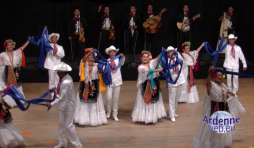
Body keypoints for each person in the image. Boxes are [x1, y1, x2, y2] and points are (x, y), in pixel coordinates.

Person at [191, 67, 246, 148]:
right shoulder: (212, 85)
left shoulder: (223, 85)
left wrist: (232, 94)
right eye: (218, 75)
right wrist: (210, 73)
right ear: (214, 76)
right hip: (213, 108)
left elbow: (227, 92)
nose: (220, 77)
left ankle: (217, 144)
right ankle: (208, 144)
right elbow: (208, 82)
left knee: (220, 128)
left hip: (222, 108)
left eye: (221, 75)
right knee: (210, 127)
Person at [45, 62, 83, 148]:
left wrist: (51, 104)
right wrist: (56, 88)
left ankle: (78, 145)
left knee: (68, 125)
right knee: (61, 125)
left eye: (58, 72)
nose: (57, 73)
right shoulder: (65, 78)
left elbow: (62, 97)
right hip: (63, 105)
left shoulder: (66, 82)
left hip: (68, 106)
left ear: (62, 72)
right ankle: (63, 142)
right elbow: (62, 90)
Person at [73, 48, 107, 126]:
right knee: (84, 102)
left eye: (93, 55)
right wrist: (89, 52)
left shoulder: (96, 65)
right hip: (85, 85)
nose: (91, 56)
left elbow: (101, 71)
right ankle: (84, 119)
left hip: (94, 85)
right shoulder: (83, 63)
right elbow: (84, 59)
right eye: (90, 55)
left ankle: (93, 120)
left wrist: (101, 68)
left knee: (94, 103)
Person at [131, 50, 167, 124]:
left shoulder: (151, 63)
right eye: (143, 57)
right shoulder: (140, 67)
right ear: (141, 58)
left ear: (149, 58)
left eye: (147, 57)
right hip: (145, 85)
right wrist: (157, 70)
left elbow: (158, 58)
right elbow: (147, 72)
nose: (145, 58)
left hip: (153, 84)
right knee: (145, 101)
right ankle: (146, 118)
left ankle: (152, 117)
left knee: (153, 101)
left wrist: (163, 52)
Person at [0, 38, 29, 107]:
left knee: (16, 86)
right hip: (7, 72)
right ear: (6, 46)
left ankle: (17, 101)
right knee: (8, 87)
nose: (10, 46)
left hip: (15, 72)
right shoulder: (2, 54)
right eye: (8, 45)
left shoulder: (16, 53)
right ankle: (8, 102)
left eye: (11, 45)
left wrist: (28, 41)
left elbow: (22, 47)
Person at [104, 45, 125, 121]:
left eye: (114, 52)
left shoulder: (118, 60)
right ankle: (108, 112)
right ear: (109, 53)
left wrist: (122, 57)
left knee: (116, 98)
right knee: (108, 97)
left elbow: (122, 62)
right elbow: (103, 70)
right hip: (109, 82)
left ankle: (115, 114)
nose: (112, 53)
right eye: (111, 52)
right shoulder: (106, 61)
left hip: (117, 81)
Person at [165, 46, 185, 122]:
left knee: (177, 98)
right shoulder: (166, 61)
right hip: (172, 81)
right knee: (172, 99)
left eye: (173, 51)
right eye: (170, 52)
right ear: (167, 54)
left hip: (180, 80)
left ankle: (174, 111)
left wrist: (176, 54)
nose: (172, 53)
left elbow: (182, 61)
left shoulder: (177, 58)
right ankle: (171, 115)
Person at [45, 32, 65, 99]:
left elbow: (62, 55)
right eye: (53, 37)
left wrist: (56, 52)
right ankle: (52, 93)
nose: (55, 38)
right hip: (50, 65)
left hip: (57, 65)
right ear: (51, 39)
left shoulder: (60, 47)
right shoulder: (48, 45)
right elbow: (47, 49)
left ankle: (57, 92)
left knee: (57, 78)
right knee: (51, 79)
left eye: (56, 37)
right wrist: (45, 33)